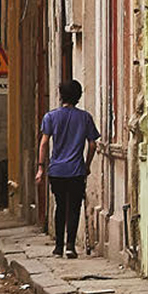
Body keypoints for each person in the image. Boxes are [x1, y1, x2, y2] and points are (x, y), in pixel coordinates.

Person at [36, 79, 99, 258]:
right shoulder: (85, 117)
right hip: (76, 170)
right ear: (78, 96)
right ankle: (70, 246)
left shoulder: (51, 117)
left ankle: (58, 247)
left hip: (56, 171)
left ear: (60, 95)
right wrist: (86, 165)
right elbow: (93, 145)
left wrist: (41, 168)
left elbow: (44, 143)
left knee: (60, 206)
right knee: (74, 208)